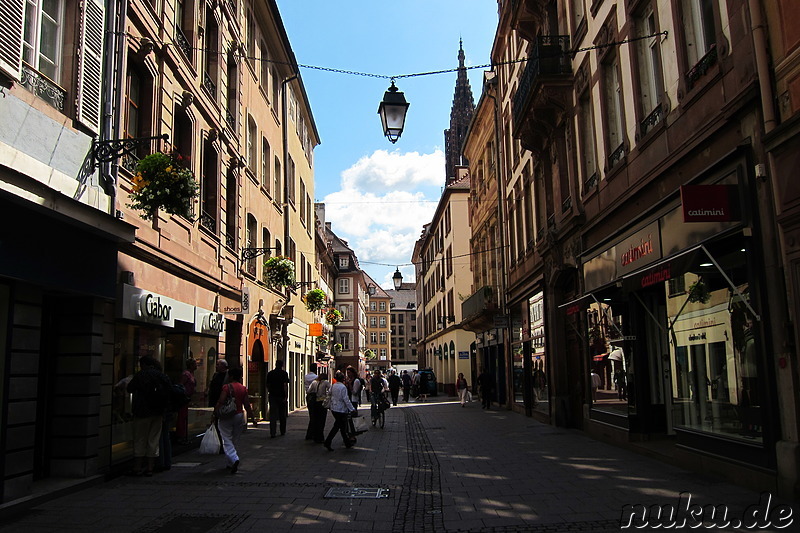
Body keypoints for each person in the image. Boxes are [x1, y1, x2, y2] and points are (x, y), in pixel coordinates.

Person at [126, 355, 173, 476]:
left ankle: (137, 467)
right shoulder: (161, 375)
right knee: (154, 440)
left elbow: (130, 388)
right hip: (157, 412)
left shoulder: (140, 375)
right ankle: (150, 468)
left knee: (140, 439)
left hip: (142, 411)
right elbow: (169, 391)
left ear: (143, 365)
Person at [215, 367, 255, 474]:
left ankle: (234, 458)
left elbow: (221, 401)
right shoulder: (243, 388)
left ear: (231, 376)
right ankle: (229, 463)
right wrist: (252, 418)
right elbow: (246, 405)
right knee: (235, 439)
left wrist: (216, 411)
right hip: (238, 415)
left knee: (226, 438)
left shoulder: (226, 387)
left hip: (226, 416)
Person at [324, 370, 356, 451]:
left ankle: (347, 443)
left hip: (334, 408)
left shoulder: (333, 385)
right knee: (338, 426)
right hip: (341, 409)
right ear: (342, 379)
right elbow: (346, 399)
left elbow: (329, 394)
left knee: (342, 426)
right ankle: (328, 441)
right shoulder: (343, 387)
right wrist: (352, 409)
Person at [266, 360, 290, 438]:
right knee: (282, 414)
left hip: (272, 395)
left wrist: (270, 391)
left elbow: (267, 385)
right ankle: (282, 431)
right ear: (282, 365)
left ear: (275, 365)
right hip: (281, 396)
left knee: (272, 415)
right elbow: (285, 385)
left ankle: (273, 432)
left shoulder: (270, 373)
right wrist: (286, 395)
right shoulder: (284, 374)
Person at [175, 357, 197, 443]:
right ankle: (180, 436)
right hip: (183, 398)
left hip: (188, 398)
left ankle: (184, 435)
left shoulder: (191, 374)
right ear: (191, 365)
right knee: (182, 417)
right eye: (195, 364)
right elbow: (181, 384)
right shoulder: (186, 374)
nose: (196, 366)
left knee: (185, 417)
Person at [306, 372, 331, 443]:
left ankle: (315, 436)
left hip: (315, 403)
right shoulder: (325, 382)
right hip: (322, 402)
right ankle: (320, 436)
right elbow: (330, 389)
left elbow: (308, 391)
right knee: (322, 420)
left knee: (316, 420)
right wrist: (326, 396)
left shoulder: (314, 382)